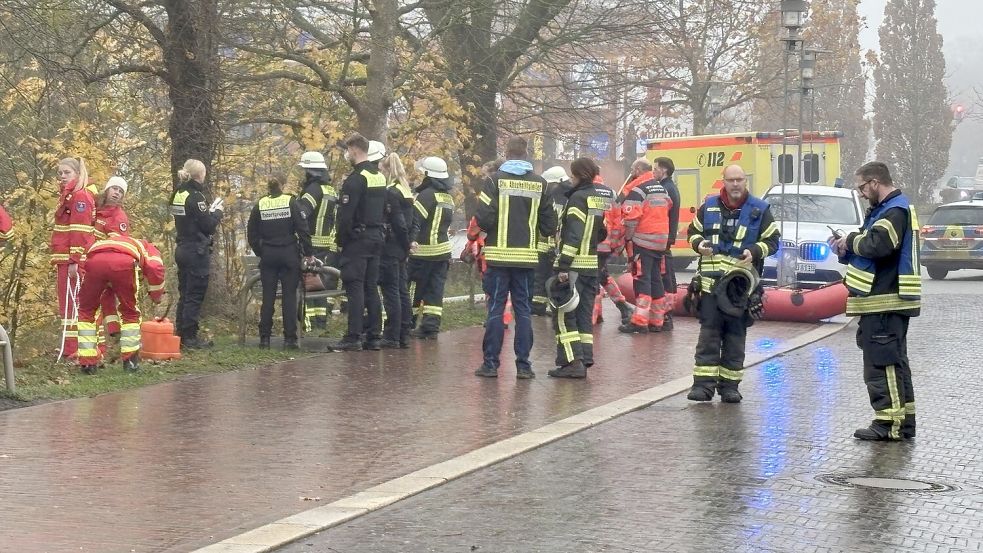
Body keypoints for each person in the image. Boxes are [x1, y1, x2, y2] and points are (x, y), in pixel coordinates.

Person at [831, 161, 920, 441]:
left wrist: (852, 239)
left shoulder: (893, 211)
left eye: (861, 187)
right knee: (895, 363)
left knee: (883, 364)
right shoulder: (887, 210)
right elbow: (868, 248)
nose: (860, 193)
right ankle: (903, 422)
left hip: (885, 300)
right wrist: (844, 248)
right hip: (884, 301)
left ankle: (888, 424)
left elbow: (877, 246)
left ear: (874, 182)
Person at [686, 164, 780, 403]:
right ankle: (703, 386)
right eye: (731, 180)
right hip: (709, 287)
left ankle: (730, 387)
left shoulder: (759, 209)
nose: (735, 184)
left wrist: (755, 251)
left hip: (739, 290)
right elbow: (692, 233)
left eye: (739, 179)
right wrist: (699, 245)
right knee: (708, 337)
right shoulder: (708, 207)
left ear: (745, 181)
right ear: (724, 181)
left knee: (735, 339)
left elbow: (773, 241)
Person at [474, 136, 557, 379]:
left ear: (507, 153)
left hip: (498, 257)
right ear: (526, 153)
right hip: (527, 259)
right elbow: (550, 224)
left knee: (496, 311)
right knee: (523, 312)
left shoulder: (493, 181)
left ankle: (490, 364)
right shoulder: (540, 183)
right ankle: (524, 365)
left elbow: (483, 217)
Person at [548, 158, 614, 379]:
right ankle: (584, 358)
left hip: (574, 266)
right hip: (590, 267)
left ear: (578, 174)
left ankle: (572, 362)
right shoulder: (596, 197)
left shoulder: (577, 198)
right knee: (584, 315)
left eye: (572, 173)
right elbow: (601, 232)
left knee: (564, 315)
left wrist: (563, 265)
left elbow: (573, 235)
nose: (570, 177)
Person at [75, 234, 165, 374]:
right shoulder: (148, 247)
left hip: (94, 262)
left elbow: (84, 262)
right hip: (123, 263)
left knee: (86, 311)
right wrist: (156, 295)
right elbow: (155, 268)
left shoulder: (105, 241)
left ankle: (87, 364)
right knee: (130, 313)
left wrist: (113, 327)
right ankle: (130, 363)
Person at [330, 133, 387, 352]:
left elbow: (346, 216)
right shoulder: (378, 177)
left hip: (357, 240)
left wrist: (341, 241)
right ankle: (373, 335)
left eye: (347, 149)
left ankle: (353, 336)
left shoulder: (355, 180)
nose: (347, 153)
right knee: (371, 287)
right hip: (375, 238)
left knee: (355, 287)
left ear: (354, 149)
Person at [247, 173, 314, 350]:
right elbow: (303, 229)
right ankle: (290, 339)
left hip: (268, 255)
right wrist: (308, 253)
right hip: (289, 254)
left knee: (268, 297)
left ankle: (264, 338)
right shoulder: (291, 202)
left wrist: (261, 250)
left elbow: (251, 234)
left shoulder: (260, 204)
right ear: (283, 185)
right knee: (289, 296)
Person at [169, 159, 223, 350]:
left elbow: (187, 219)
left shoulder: (178, 194)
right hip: (196, 251)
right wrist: (216, 213)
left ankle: (181, 334)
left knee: (184, 293)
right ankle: (190, 337)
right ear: (200, 175)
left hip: (182, 247)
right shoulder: (196, 196)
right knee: (194, 294)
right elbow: (207, 226)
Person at [620, 158, 672, 333]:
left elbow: (631, 220)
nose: (632, 173)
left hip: (642, 241)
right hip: (660, 242)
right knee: (656, 279)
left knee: (642, 280)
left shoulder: (638, 190)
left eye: (634, 169)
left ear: (639, 170)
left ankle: (640, 322)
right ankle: (657, 321)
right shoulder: (662, 189)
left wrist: (627, 239)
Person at [51, 157, 96, 359]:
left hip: (71, 260)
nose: (62, 176)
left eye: (67, 173)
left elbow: (80, 231)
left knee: (74, 304)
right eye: (60, 173)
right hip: (63, 258)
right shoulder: (69, 196)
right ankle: (72, 349)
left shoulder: (80, 197)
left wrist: (74, 261)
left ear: (77, 174)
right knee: (67, 305)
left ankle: (75, 350)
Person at [408, 156, 454, 339]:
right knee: (435, 290)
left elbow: (415, 221)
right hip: (442, 252)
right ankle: (430, 327)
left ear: (428, 175)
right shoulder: (447, 197)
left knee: (413, 289)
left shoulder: (426, 195)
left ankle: (408, 323)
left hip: (422, 252)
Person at [297, 151, 339, 331]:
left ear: (310, 170)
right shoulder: (330, 188)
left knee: (306, 282)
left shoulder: (313, 189)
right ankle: (320, 323)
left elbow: (302, 213)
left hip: (311, 242)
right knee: (319, 282)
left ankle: (307, 324)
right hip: (326, 243)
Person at [379, 152, 414, 348]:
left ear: (387, 170)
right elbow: (413, 221)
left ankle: (392, 334)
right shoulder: (406, 190)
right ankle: (404, 332)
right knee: (402, 291)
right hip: (401, 248)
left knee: (391, 292)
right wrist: (409, 243)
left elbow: (399, 223)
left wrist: (404, 242)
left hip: (392, 247)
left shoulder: (391, 191)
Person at [532, 166, 574, 316]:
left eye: (551, 184)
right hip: (552, 246)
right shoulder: (569, 197)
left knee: (549, 277)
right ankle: (541, 305)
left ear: (558, 182)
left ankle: (545, 306)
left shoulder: (563, 197)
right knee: (546, 276)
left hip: (555, 245)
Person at [93, 176, 131, 339]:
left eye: (121, 191)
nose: (117, 193)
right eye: (115, 189)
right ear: (107, 189)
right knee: (103, 297)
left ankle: (114, 331)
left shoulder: (119, 217)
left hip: (105, 263)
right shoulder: (95, 208)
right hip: (90, 260)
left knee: (104, 296)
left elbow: (118, 244)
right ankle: (114, 331)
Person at [654, 156, 680, 330]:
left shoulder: (665, 189)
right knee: (667, 275)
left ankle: (666, 316)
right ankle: (666, 314)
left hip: (663, 239)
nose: (653, 172)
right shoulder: (669, 187)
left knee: (665, 277)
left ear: (663, 170)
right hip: (666, 238)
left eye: (655, 169)